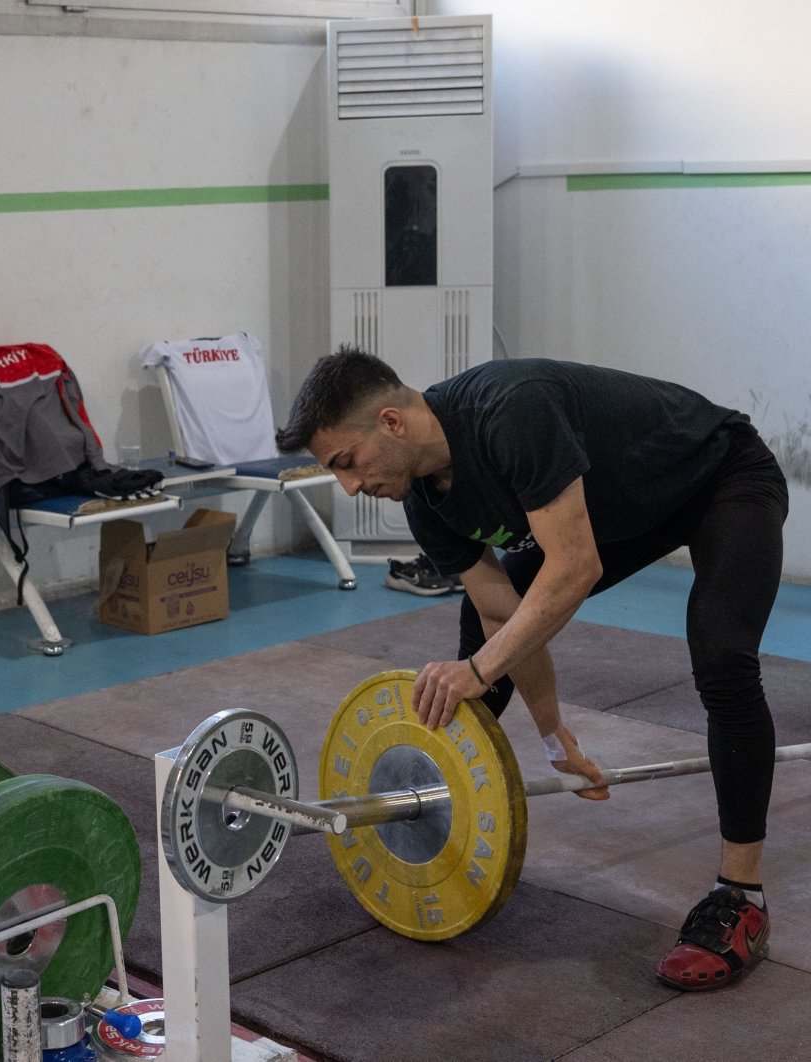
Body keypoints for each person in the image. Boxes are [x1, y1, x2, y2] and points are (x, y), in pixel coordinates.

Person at [278, 346, 788, 992]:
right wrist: (554, 737)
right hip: (625, 509)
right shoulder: (424, 505)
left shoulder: (509, 412)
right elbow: (500, 615)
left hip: (722, 477)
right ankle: (438, 808)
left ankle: (741, 896)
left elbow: (576, 567)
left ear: (392, 423)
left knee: (721, 654)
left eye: (346, 464)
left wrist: (476, 674)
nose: (349, 487)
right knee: (481, 628)